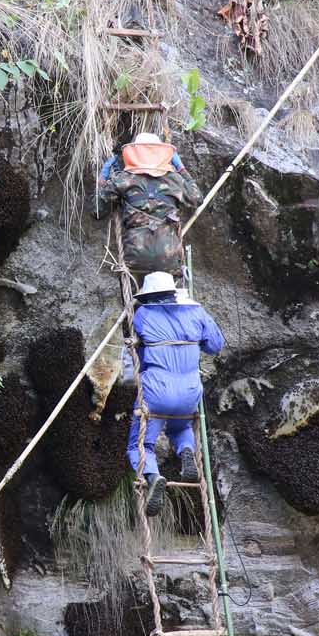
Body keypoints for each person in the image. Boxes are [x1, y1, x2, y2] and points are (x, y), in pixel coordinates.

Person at [126, 271, 225, 517]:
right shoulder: (196, 312)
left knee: (139, 444)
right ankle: (186, 452)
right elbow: (215, 346)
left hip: (157, 390)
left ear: (148, 295)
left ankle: (153, 476)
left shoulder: (143, 314)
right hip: (190, 392)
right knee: (180, 428)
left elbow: (137, 346)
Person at [92, 133, 202, 281]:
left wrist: (103, 179)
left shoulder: (123, 179)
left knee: (138, 299)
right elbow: (196, 198)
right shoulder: (175, 180)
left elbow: (98, 211)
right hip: (169, 259)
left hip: (136, 259)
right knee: (167, 297)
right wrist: (181, 168)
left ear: (134, 154)